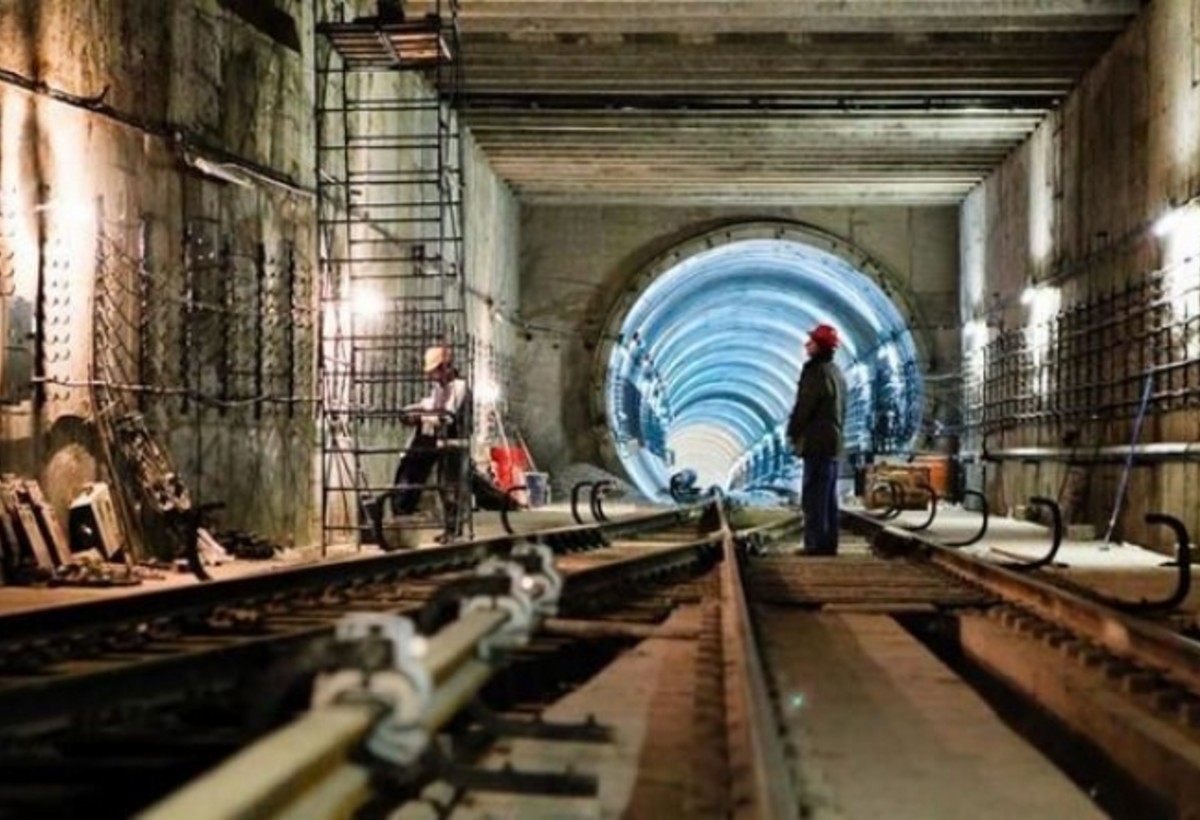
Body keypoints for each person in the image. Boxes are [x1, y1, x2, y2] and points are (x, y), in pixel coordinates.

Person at [390, 345, 471, 538]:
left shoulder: (459, 387)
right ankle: (447, 527)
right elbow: (432, 405)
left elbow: (447, 415)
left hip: (454, 442)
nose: (432, 377)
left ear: (446, 368)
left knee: (449, 486)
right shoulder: (439, 387)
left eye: (435, 372)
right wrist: (416, 408)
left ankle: (453, 529)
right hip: (439, 441)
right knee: (435, 481)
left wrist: (421, 417)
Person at [786, 323, 847, 555]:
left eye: (811, 341)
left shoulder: (815, 372)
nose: (806, 344)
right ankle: (828, 543)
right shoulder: (836, 372)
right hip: (833, 441)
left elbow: (805, 406)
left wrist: (793, 430)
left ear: (820, 347)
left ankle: (815, 544)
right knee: (828, 496)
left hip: (817, 441)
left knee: (813, 495)